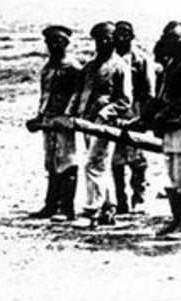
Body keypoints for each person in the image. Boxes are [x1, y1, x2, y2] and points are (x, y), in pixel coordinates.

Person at [66, 21, 132, 227]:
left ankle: (91, 212)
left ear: (114, 40)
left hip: (106, 124)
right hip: (87, 122)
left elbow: (125, 100)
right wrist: (71, 113)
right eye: (99, 39)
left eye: (108, 38)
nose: (103, 42)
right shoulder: (89, 67)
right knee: (101, 165)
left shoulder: (120, 66)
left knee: (93, 164)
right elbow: (79, 93)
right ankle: (108, 208)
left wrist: (106, 113)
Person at [141, 21, 181, 240]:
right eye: (168, 37)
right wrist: (147, 116)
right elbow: (162, 96)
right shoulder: (173, 62)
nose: (170, 42)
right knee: (172, 175)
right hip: (169, 126)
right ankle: (178, 219)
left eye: (175, 38)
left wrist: (164, 114)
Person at [25, 25, 83, 220]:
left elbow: (77, 95)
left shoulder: (73, 67)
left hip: (64, 121)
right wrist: (39, 116)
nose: (54, 46)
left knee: (67, 161)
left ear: (66, 43)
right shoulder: (48, 68)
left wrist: (67, 116)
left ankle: (66, 208)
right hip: (49, 120)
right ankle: (51, 205)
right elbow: (45, 95)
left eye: (58, 42)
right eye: (50, 42)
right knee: (51, 162)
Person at [111, 20, 155, 215]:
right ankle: (120, 200)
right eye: (117, 35)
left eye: (125, 34)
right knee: (116, 159)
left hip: (135, 110)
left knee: (137, 158)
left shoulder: (141, 59)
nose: (121, 38)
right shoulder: (110, 59)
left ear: (132, 36)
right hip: (115, 111)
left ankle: (139, 197)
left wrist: (144, 117)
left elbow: (149, 91)